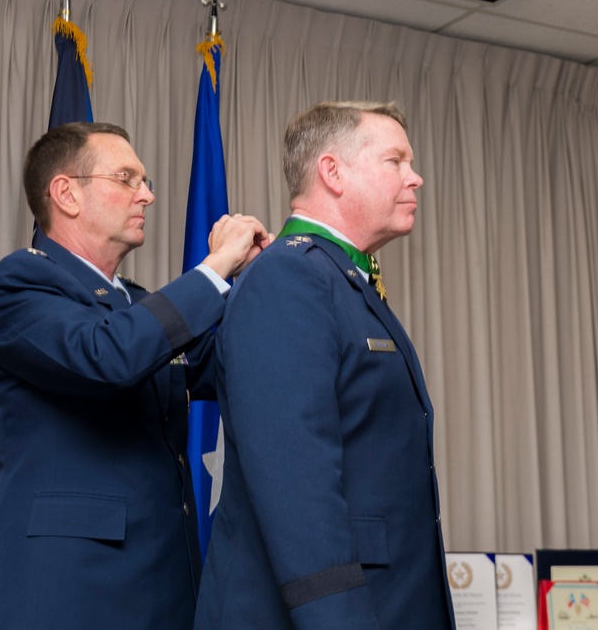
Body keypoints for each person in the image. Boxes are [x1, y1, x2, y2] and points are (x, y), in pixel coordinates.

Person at [0, 121, 271, 629]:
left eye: (145, 180)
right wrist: (216, 265)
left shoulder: (138, 304)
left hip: (165, 586)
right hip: (71, 595)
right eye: (127, 179)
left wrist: (269, 279)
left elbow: (227, 367)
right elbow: (111, 356)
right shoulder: (21, 283)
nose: (148, 196)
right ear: (66, 193)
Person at [194, 101, 456, 629]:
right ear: (332, 172)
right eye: (396, 161)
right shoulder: (288, 277)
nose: (416, 178)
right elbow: (296, 485)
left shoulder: (342, 279)